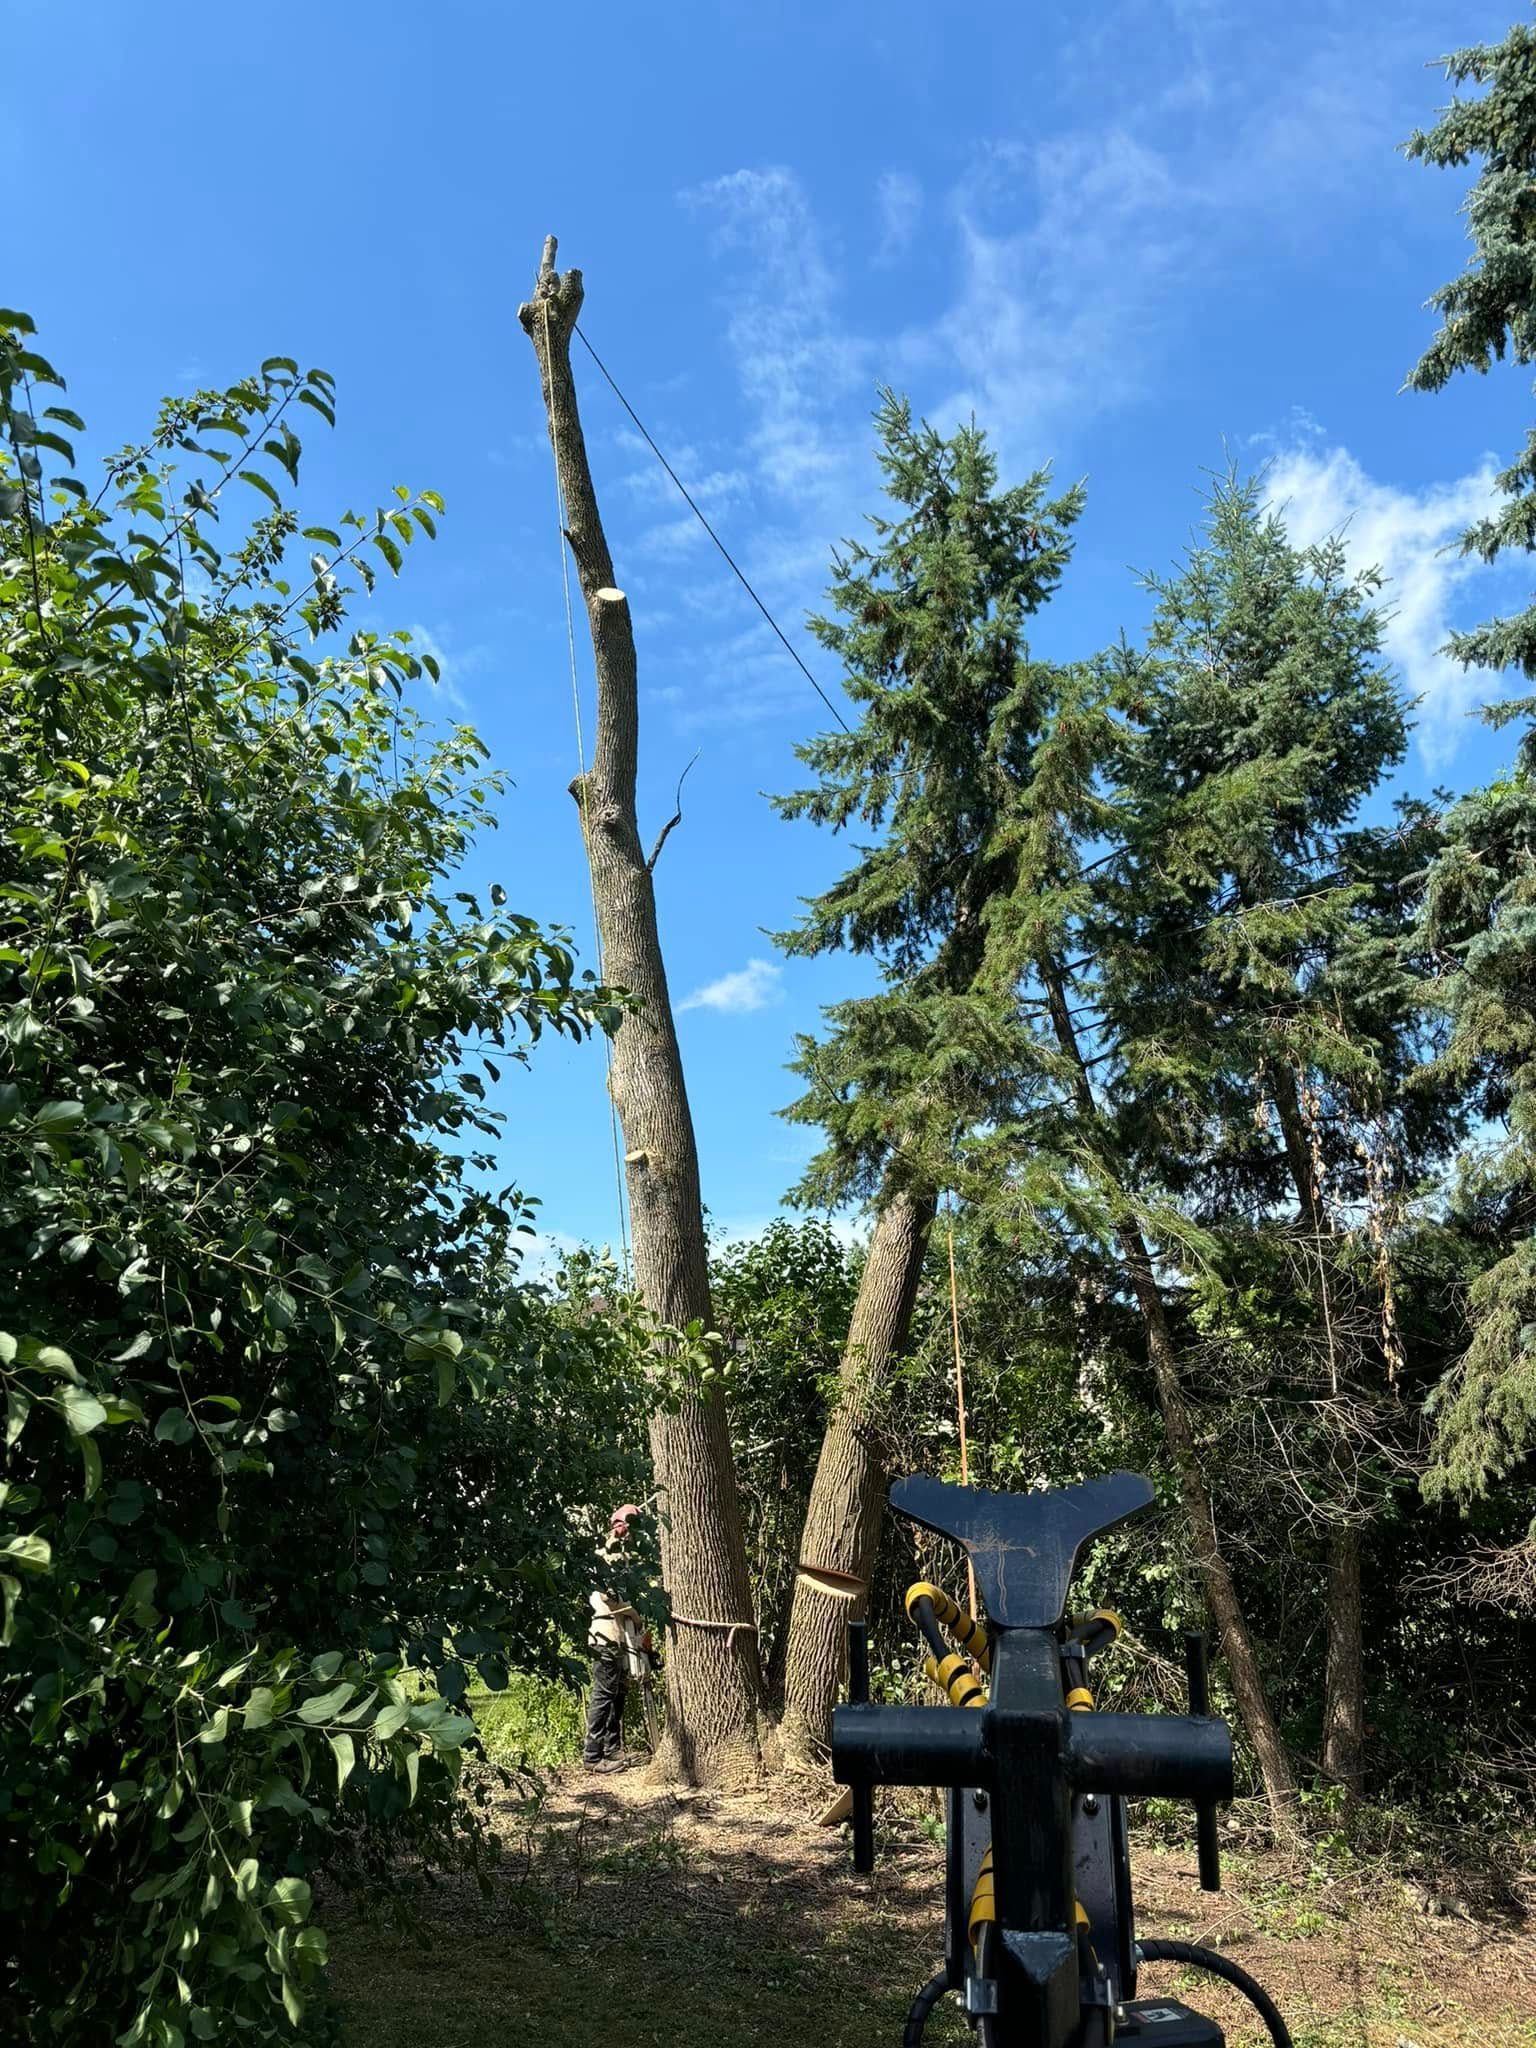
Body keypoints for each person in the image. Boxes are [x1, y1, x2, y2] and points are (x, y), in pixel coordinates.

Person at [583, 1502, 655, 1772]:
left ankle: (612, 1749)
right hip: (607, 1634)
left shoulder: (625, 1555)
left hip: (620, 1636)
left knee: (618, 1693)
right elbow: (610, 1598)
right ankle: (592, 1756)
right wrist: (637, 1616)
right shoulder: (608, 1554)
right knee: (604, 1693)